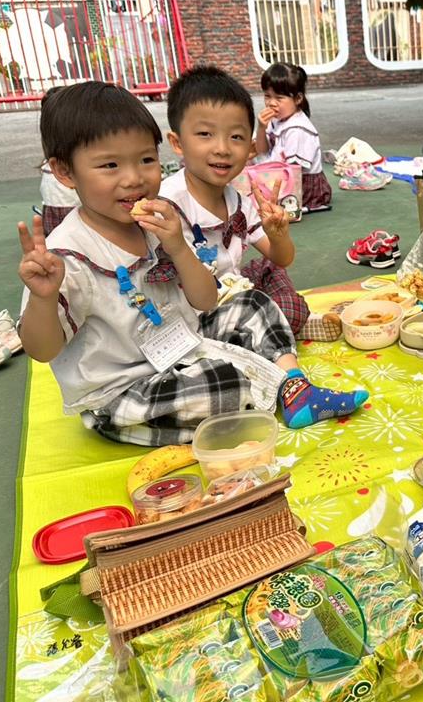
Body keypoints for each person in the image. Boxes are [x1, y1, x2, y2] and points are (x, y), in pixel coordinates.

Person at [18, 82, 367, 445]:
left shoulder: (158, 222)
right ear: (65, 172)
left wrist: (178, 248)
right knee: (223, 382)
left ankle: (295, 390)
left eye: (146, 160)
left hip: (185, 345)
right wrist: (43, 298)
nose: (134, 178)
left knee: (252, 304)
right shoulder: (66, 255)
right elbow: (43, 350)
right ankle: (261, 387)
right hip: (124, 392)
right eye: (110, 165)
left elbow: (205, 300)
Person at [160, 65, 319, 339]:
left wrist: (278, 236)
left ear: (250, 148)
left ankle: (274, 327)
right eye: (205, 134)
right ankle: (276, 331)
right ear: (177, 142)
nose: (222, 148)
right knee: (277, 312)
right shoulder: (167, 205)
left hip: (235, 292)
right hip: (196, 315)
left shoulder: (239, 201)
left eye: (236, 137)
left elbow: (282, 258)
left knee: (270, 271)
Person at [254, 62, 332, 213]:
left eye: (279, 98)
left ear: (298, 99)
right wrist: (261, 127)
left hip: (303, 186)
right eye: (267, 96)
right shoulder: (276, 120)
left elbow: (294, 172)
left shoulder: (297, 129)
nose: (271, 103)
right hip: (280, 177)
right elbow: (261, 152)